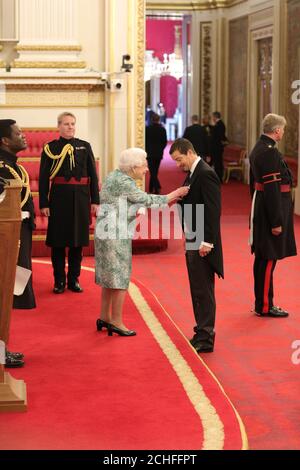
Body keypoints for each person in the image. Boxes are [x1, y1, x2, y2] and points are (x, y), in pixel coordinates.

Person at [94, 148, 189, 337]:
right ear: (133, 167)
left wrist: (162, 202)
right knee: (120, 277)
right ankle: (117, 321)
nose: (146, 169)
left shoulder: (114, 176)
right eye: (144, 165)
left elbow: (130, 202)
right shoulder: (125, 182)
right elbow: (144, 199)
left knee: (108, 277)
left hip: (105, 232)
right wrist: (175, 193)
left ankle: (105, 317)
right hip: (116, 234)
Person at [170, 138, 223, 353]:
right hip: (194, 236)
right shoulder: (193, 173)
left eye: (179, 159)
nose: (177, 164)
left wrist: (207, 242)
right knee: (197, 289)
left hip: (202, 240)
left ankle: (206, 336)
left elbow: (212, 211)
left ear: (189, 152)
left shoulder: (205, 173)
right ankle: (201, 331)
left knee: (203, 290)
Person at [39, 112, 100, 294]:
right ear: (59, 126)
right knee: (58, 242)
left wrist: (95, 200)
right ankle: (59, 281)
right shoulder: (50, 148)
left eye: (73, 124)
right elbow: (43, 177)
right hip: (59, 198)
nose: (70, 127)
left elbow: (93, 175)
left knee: (77, 242)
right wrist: (44, 203)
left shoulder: (84, 146)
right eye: (66, 124)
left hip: (81, 198)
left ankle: (74, 279)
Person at [249, 113, 297, 317]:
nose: (283, 133)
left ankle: (263, 303)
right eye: (283, 130)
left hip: (262, 207)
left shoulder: (261, 147)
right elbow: (272, 189)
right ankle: (265, 306)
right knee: (268, 258)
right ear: (277, 130)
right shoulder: (268, 152)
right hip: (271, 211)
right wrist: (276, 221)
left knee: (263, 259)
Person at [0, 119, 36, 368]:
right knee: (2, 294)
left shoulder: (14, 166)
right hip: (5, 239)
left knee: (8, 296)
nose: (24, 136)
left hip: (17, 236)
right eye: (18, 133)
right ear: (4, 140)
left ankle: (2, 349)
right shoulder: (1, 168)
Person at [145, 113, 167, 194]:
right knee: (154, 171)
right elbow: (164, 142)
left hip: (150, 153)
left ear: (151, 120)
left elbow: (145, 141)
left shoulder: (147, 129)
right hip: (158, 154)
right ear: (159, 120)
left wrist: (147, 150)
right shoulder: (162, 129)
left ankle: (154, 187)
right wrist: (161, 149)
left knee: (152, 171)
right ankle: (156, 187)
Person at [211, 111, 228, 182]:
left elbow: (218, 137)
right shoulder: (220, 124)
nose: (212, 118)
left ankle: (218, 178)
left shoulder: (218, 125)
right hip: (218, 147)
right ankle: (218, 177)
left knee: (218, 163)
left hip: (217, 147)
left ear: (215, 117)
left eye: (213, 117)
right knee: (217, 163)